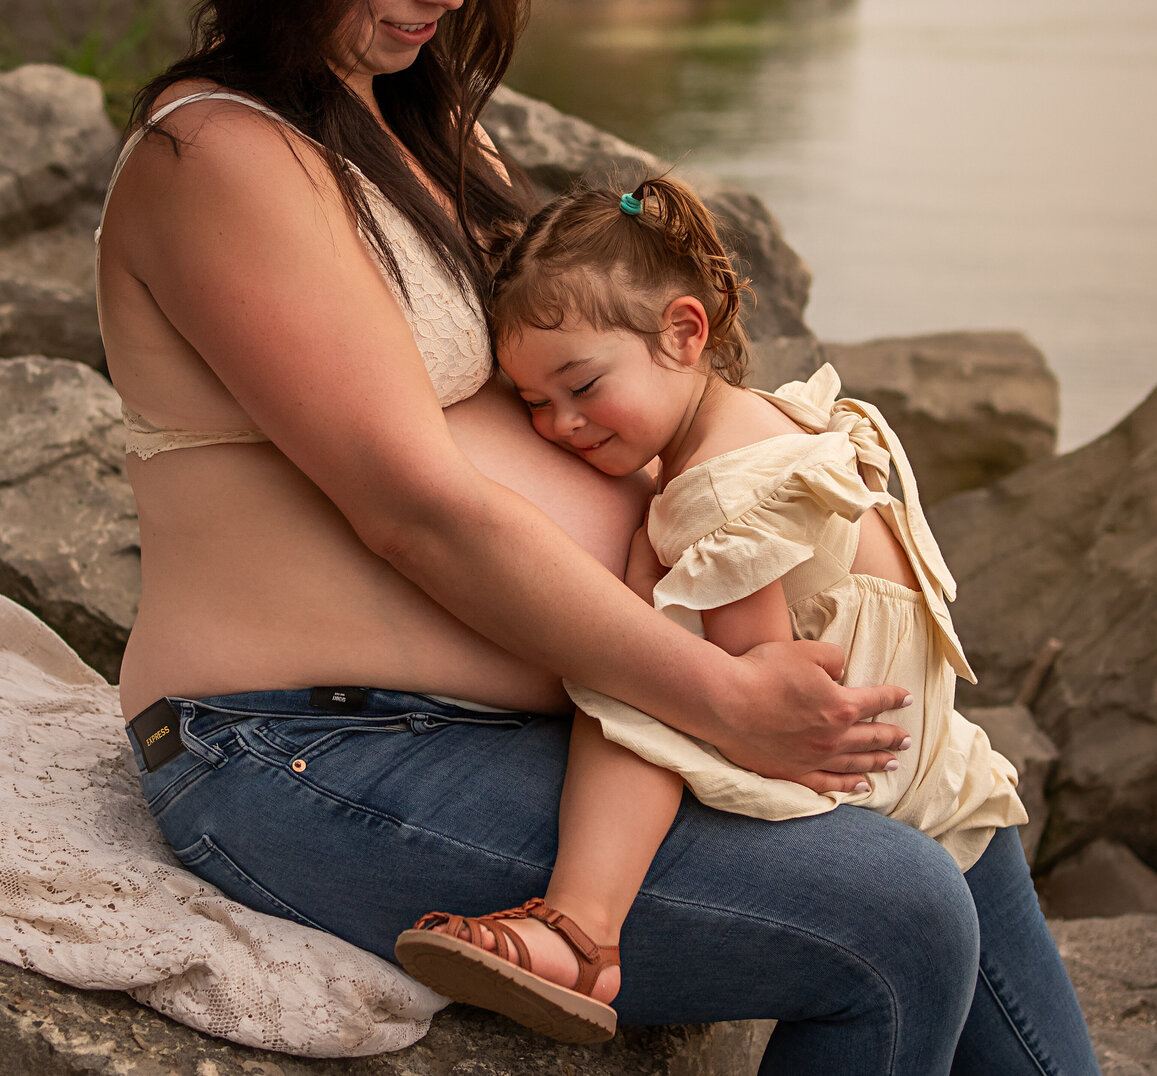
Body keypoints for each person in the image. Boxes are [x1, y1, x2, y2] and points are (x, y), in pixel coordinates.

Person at [96, 0, 1100, 1075]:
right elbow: (416, 507)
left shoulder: (422, 135)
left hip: (513, 723)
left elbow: (642, 368)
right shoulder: (217, 161)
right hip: (296, 753)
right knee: (895, 913)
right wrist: (713, 690)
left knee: (953, 813)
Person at [395, 175, 1037, 1045]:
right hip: (942, 779)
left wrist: (627, 608)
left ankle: (581, 926)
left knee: (644, 676)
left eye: (582, 385)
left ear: (685, 332)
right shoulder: (770, 418)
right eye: (537, 404)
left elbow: (766, 707)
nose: (562, 425)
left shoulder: (719, 495)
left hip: (878, 782)